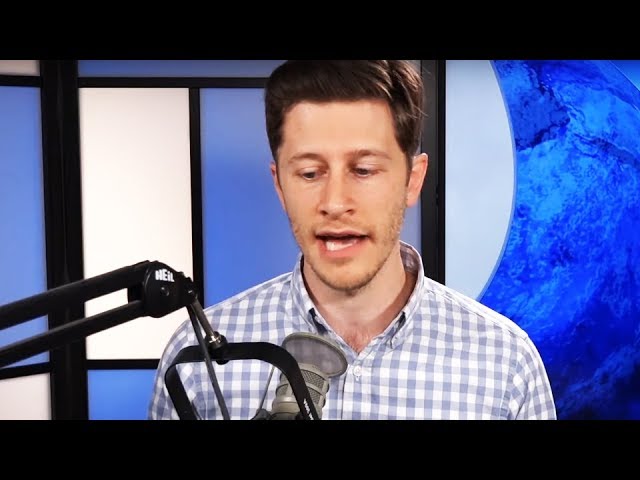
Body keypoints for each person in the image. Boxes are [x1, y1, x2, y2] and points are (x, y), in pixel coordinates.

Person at [148, 60, 557, 420]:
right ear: (280, 185)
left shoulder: (505, 362)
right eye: (310, 173)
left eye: (363, 170)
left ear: (413, 180)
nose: (335, 203)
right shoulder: (199, 359)